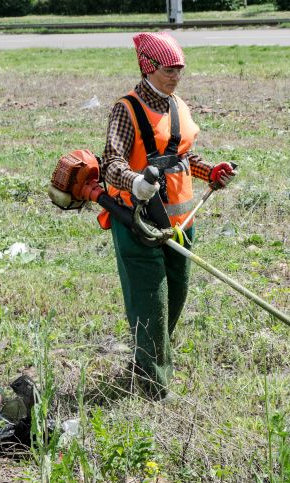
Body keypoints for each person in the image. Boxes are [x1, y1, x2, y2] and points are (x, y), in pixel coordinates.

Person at [100, 32, 236, 402]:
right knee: (150, 301)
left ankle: (149, 359)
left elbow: (182, 156)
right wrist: (135, 182)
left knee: (174, 296)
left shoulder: (178, 105)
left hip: (181, 222)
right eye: (168, 69)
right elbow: (110, 164)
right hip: (139, 222)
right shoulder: (125, 110)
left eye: (180, 69)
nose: (175, 76)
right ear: (147, 66)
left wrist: (212, 172)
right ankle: (154, 389)